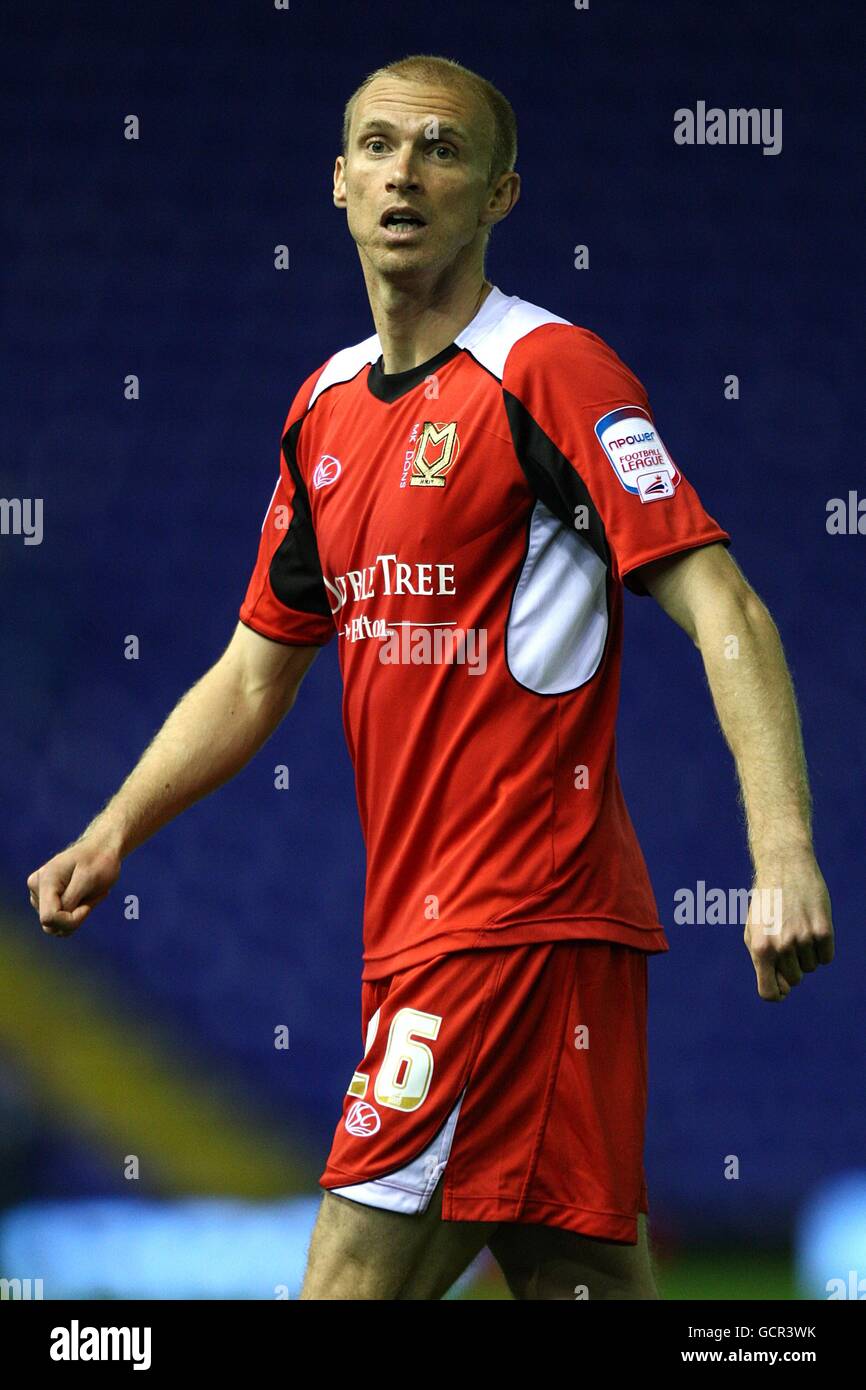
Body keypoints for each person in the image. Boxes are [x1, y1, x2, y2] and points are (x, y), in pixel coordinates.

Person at [27, 54, 834, 1301]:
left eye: (443, 150)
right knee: (579, 1282)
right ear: (338, 182)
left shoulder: (551, 373)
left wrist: (777, 853)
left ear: (498, 193)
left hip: (512, 922)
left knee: (346, 1284)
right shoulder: (322, 411)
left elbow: (725, 605)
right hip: (432, 936)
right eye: (378, 146)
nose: (405, 172)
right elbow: (254, 673)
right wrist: (115, 827)